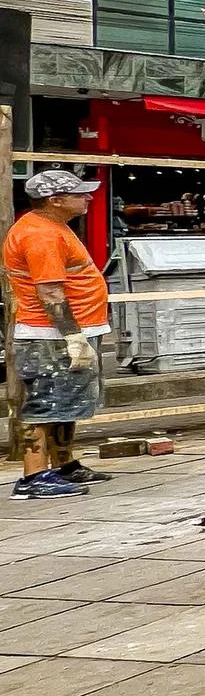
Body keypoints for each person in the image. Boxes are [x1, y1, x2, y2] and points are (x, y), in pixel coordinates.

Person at [6, 170, 117, 500]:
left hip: (63, 332)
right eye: (79, 193)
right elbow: (50, 292)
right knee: (44, 406)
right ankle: (33, 476)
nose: (88, 198)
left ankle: (63, 464)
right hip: (50, 337)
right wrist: (73, 336)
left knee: (65, 405)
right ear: (54, 200)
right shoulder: (41, 235)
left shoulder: (53, 228)